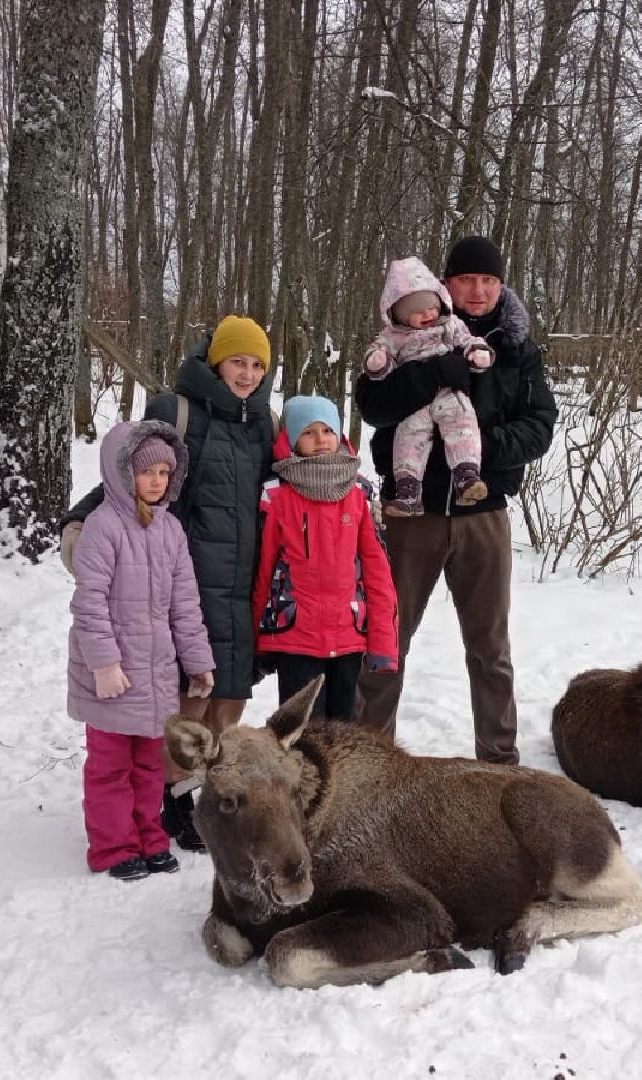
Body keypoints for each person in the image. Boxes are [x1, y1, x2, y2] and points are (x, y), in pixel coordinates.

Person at [61, 315, 275, 850]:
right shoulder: (176, 412)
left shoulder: (264, 424)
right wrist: (82, 521)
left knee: (226, 695)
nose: (246, 374)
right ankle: (168, 799)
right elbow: (135, 472)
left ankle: (207, 796)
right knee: (181, 700)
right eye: (237, 362)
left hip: (241, 583)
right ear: (215, 361)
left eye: (256, 365)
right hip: (180, 580)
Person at [353, 236, 557, 764]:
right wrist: (432, 375)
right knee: (385, 642)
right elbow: (372, 406)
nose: (478, 290)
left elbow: (539, 427)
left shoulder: (517, 350)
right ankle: (366, 757)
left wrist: (477, 448)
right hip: (409, 514)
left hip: (484, 511)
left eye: (488, 280)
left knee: (491, 650)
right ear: (445, 282)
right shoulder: (408, 329)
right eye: (467, 279)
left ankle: (498, 758)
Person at [67, 419, 215, 880]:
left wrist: (197, 660)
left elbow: (185, 604)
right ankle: (114, 847)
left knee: (150, 766)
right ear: (121, 473)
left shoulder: (171, 532)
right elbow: (88, 603)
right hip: (112, 676)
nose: (157, 481)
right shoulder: (102, 528)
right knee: (111, 767)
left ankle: (150, 837)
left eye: (165, 474)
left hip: (154, 676)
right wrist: (104, 664)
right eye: (147, 472)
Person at [253, 395, 398, 722]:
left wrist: (383, 642)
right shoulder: (277, 494)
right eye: (308, 432)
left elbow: (377, 572)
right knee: (301, 734)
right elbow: (263, 572)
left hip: (348, 637)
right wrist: (257, 640)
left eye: (327, 430)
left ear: (340, 436)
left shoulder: (359, 493)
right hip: (296, 637)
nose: (320, 440)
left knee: (343, 736)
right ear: (291, 439)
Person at [360, 256, 493, 516]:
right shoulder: (393, 336)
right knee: (408, 437)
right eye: (418, 310)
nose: (429, 314)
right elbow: (378, 367)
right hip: (416, 405)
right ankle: (408, 490)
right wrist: (377, 362)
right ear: (399, 313)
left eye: (432, 307)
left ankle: (466, 473)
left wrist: (477, 353)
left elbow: (468, 340)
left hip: (448, 396)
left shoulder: (450, 325)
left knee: (461, 421)